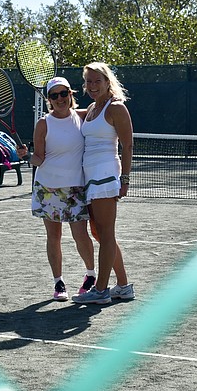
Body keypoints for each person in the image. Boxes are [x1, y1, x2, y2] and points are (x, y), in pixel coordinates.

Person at [28, 77, 97, 301]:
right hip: (47, 187)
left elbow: (105, 105)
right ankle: (58, 283)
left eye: (63, 94)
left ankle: (90, 276)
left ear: (71, 94)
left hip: (76, 188)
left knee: (80, 235)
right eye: (54, 96)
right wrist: (27, 157)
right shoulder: (43, 123)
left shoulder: (82, 116)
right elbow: (39, 158)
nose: (60, 99)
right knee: (54, 236)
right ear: (49, 100)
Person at [72, 62, 134, 305]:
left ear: (108, 82)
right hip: (90, 177)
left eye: (97, 81)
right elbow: (68, 115)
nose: (92, 86)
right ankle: (123, 286)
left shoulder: (116, 108)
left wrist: (125, 179)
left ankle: (100, 290)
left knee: (106, 233)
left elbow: (128, 145)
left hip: (106, 175)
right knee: (100, 233)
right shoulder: (91, 109)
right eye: (88, 81)